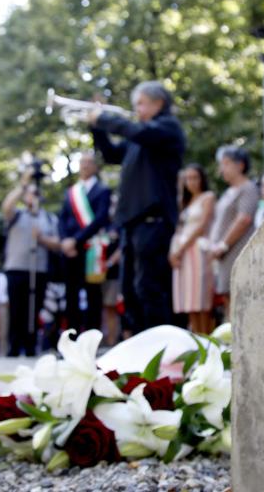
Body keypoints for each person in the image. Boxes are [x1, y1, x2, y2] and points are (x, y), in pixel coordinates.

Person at [89, 80, 186, 335]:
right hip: (132, 223)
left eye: (141, 103)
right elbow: (111, 154)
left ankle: (161, 348)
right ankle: (142, 348)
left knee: (149, 288)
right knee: (130, 292)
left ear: (158, 103)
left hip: (153, 221)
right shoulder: (137, 137)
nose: (136, 110)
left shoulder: (167, 128)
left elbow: (137, 132)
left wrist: (105, 117)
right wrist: (96, 128)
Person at [2, 168, 60, 356]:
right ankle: (13, 346)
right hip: (16, 269)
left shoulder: (49, 218)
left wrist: (42, 238)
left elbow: (57, 243)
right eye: (29, 193)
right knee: (17, 309)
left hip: (39, 270)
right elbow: (7, 205)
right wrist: (23, 184)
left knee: (34, 309)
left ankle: (31, 345)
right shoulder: (17, 215)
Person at [59, 152, 111, 333]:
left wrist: (76, 240)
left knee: (93, 295)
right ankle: (71, 340)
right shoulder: (71, 192)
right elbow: (63, 219)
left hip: (91, 249)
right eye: (82, 162)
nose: (85, 166)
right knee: (71, 295)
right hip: (70, 250)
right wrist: (65, 241)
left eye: (89, 162)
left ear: (95, 166)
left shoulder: (103, 190)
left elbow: (100, 219)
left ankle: (91, 338)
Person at [208, 146, 259, 320]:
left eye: (226, 163)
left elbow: (244, 219)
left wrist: (222, 245)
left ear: (240, 165)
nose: (222, 169)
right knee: (228, 298)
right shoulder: (228, 192)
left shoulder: (248, 188)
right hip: (223, 256)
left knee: (238, 298)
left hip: (236, 252)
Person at [169, 164, 215, 334]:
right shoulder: (185, 203)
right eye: (188, 178)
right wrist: (173, 252)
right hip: (183, 252)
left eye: (195, 177)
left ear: (202, 178)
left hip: (197, 250)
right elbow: (180, 228)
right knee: (188, 299)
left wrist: (181, 249)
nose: (192, 182)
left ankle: (205, 336)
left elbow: (202, 225)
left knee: (200, 297)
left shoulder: (208, 197)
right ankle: (195, 336)